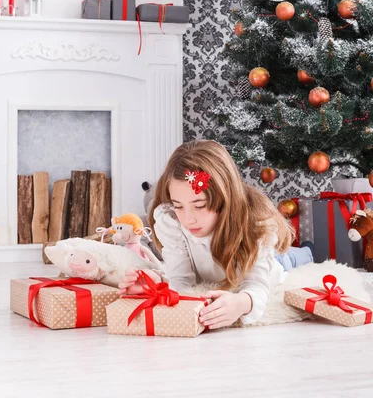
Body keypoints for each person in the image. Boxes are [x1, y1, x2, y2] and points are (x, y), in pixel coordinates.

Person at [118, 140, 313, 329]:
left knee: (287, 260)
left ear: (224, 198)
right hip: (223, 270)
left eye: (200, 206)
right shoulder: (171, 221)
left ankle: (307, 251)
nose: (188, 219)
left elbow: (256, 284)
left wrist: (241, 304)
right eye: (178, 205)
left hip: (269, 264)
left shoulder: (256, 224)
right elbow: (182, 279)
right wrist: (158, 285)